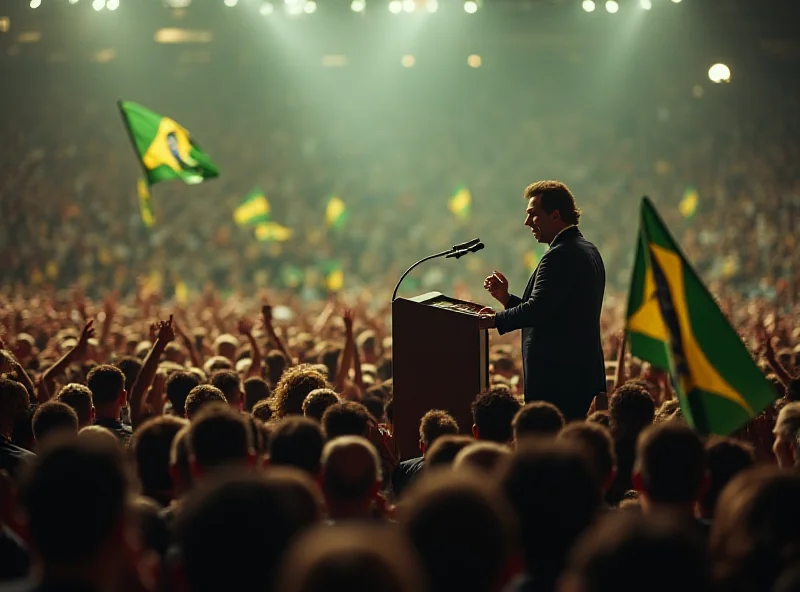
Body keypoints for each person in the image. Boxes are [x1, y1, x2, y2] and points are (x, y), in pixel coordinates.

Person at [479, 180, 605, 422]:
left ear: (555, 215)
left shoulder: (560, 255)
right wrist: (506, 299)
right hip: (579, 376)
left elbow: (538, 310)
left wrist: (494, 320)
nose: (527, 223)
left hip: (559, 382)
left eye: (533, 215)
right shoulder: (587, 250)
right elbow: (553, 311)